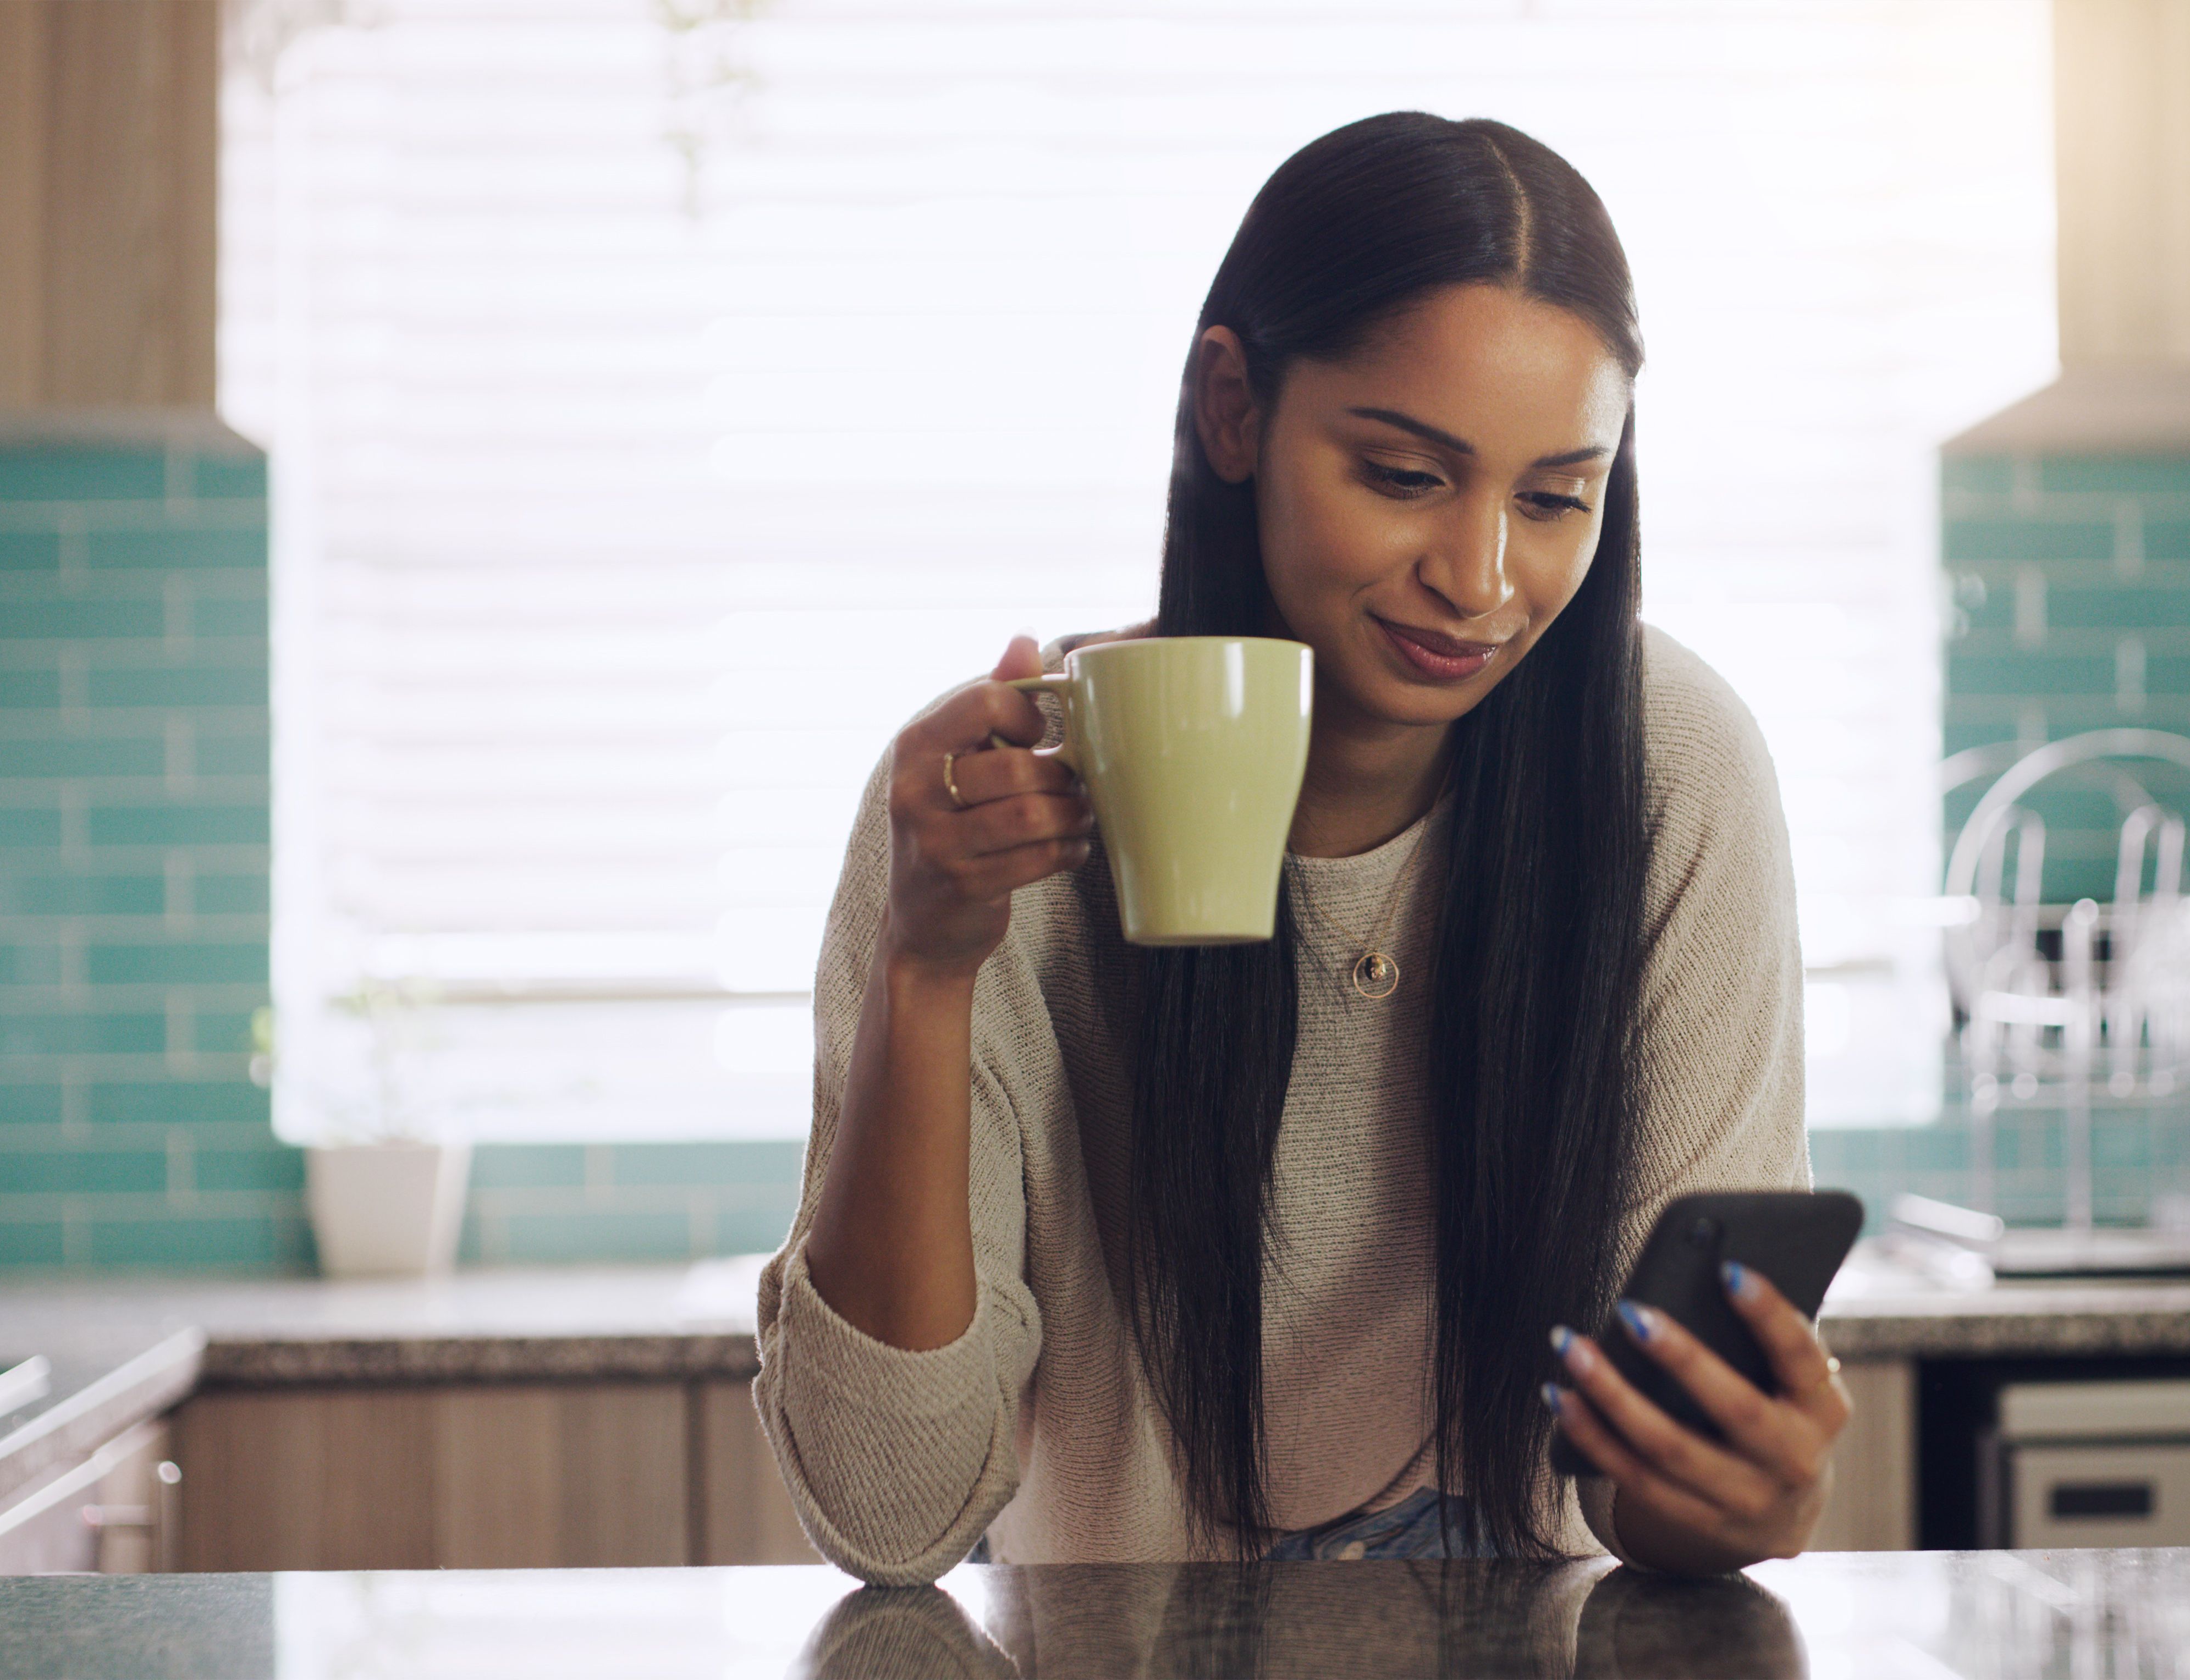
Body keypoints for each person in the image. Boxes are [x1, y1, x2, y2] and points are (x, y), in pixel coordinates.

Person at [754, 111, 1847, 1582]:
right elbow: (887, 1519)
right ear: (1234, 409)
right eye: (1405, 476)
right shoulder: (990, 820)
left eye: (1555, 498)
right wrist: (925, 965)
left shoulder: (1673, 773)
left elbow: (1638, 1497)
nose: (1480, 579)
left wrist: (1737, 1500)